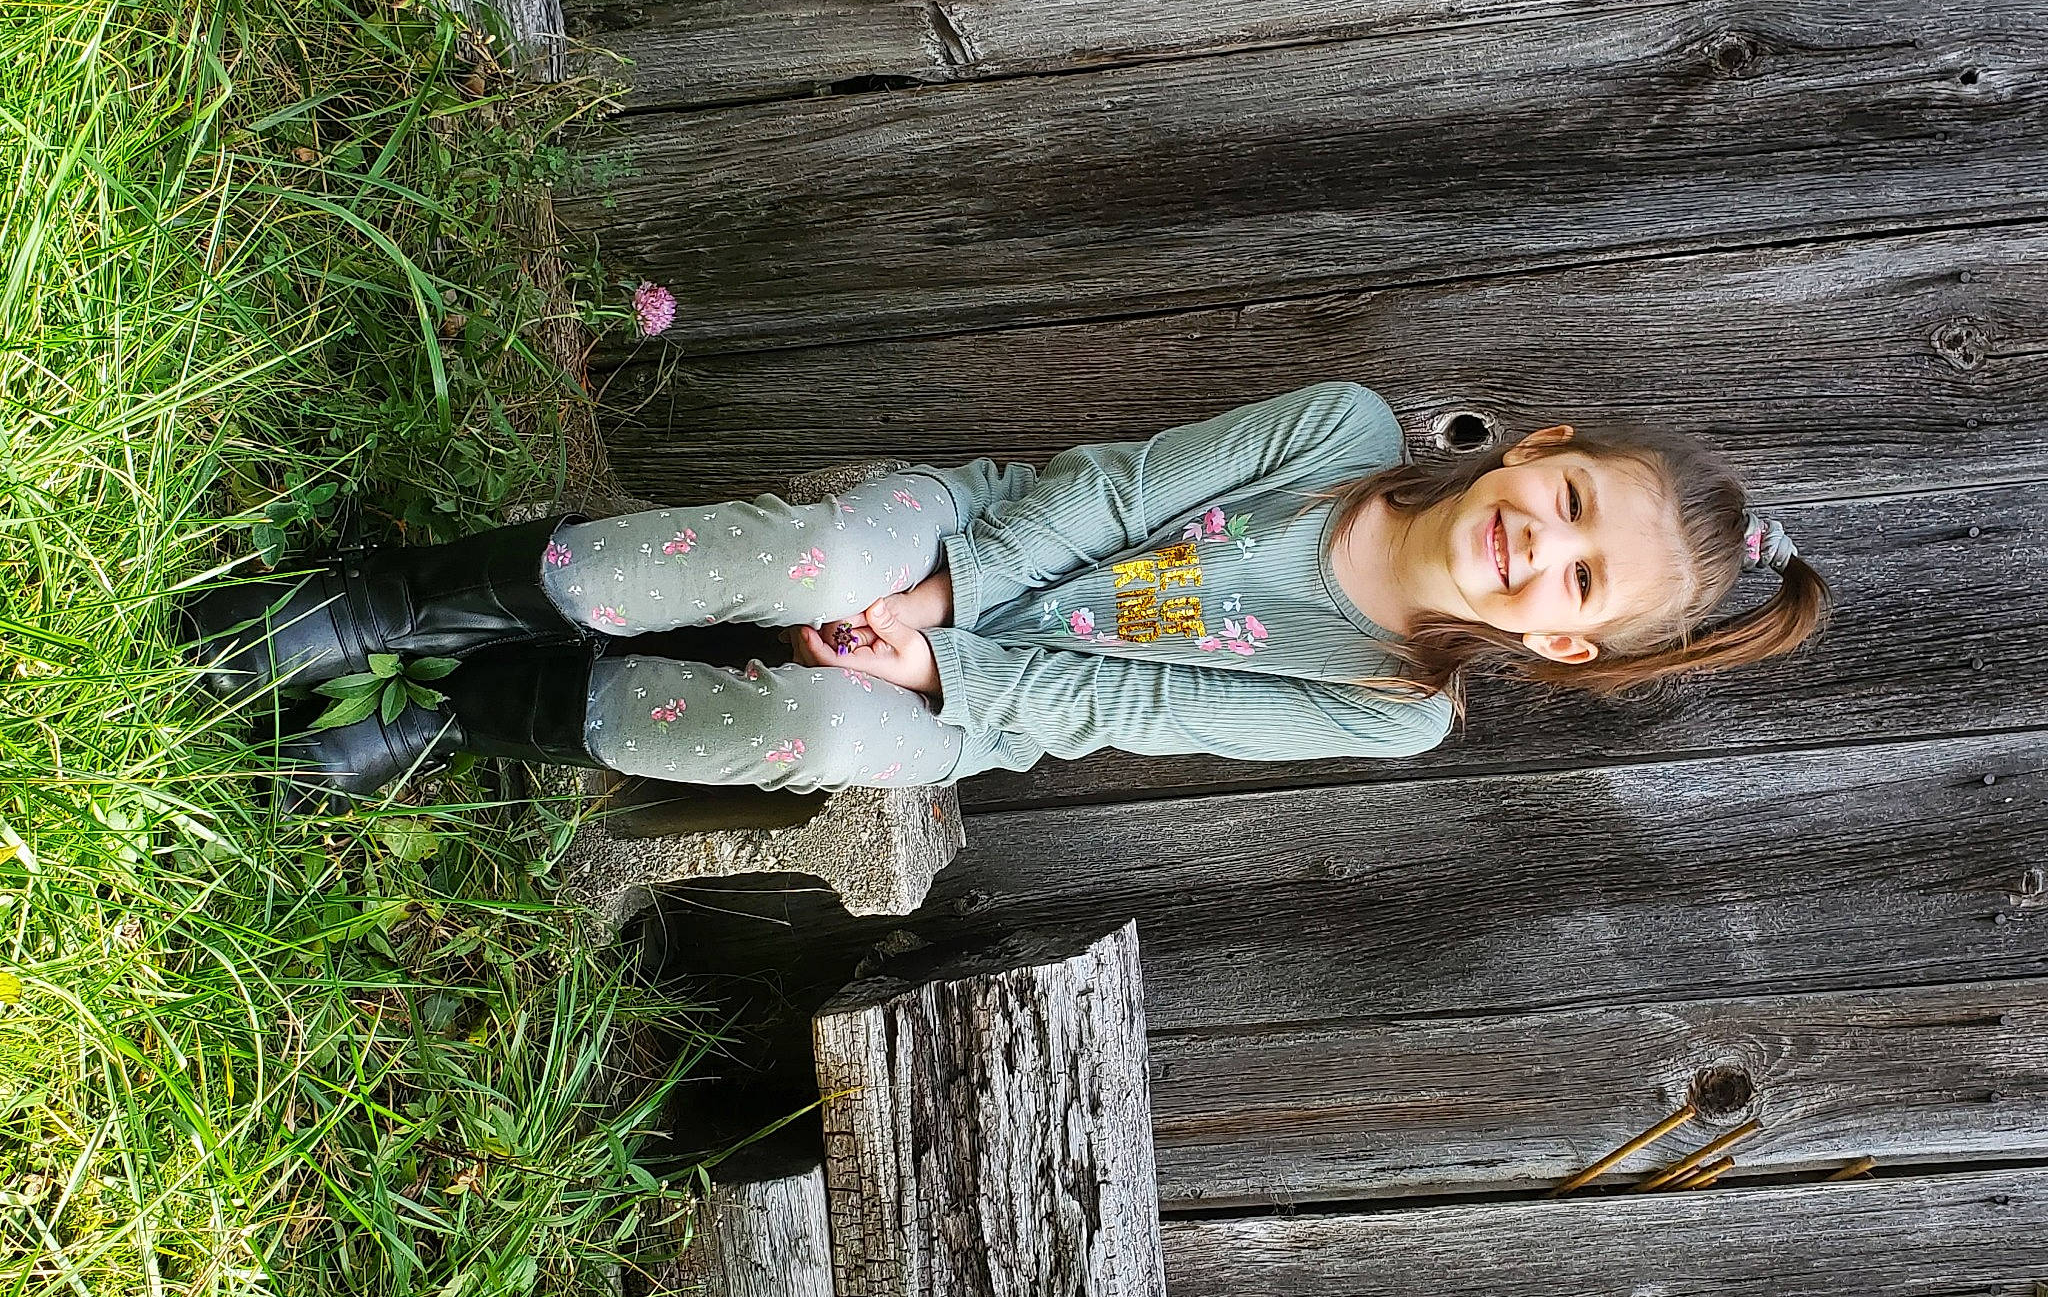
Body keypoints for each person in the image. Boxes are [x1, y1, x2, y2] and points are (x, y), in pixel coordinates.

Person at [177, 381, 1829, 809]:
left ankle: (461, 717)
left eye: (1581, 581)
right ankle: (391, 603)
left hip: (988, 707)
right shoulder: (1336, 436)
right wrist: (940, 586)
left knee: (828, 738)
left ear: (1564, 638)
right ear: (1535, 451)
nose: (1541, 545)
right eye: (1562, 503)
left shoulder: (1391, 709)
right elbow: (1103, 497)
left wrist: (932, 679)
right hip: (967, 536)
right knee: (821, 554)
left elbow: (1136, 702)